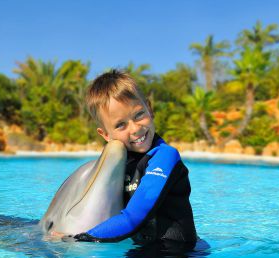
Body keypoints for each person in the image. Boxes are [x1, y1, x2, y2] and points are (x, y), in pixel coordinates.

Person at [72, 69, 198, 247]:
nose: (135, 128)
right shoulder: (121, 160)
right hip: (141, 249)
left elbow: (134, 218)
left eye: (139, 114)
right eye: (120, 125)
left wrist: (78, 238)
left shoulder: (164, 157)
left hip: (172, 254)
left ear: (150, 109)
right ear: (106, 134)